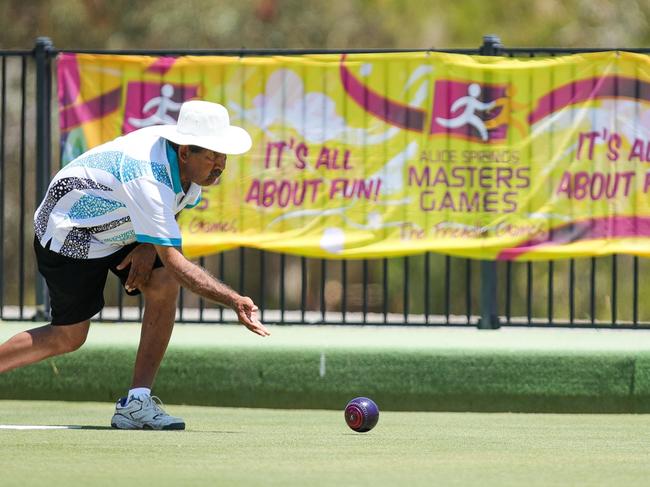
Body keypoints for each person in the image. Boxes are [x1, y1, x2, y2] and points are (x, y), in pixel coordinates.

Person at [0, 100, 270, 430]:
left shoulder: (189, 170)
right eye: (213, 156)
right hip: (69, 228)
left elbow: (170, 210)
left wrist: (146, 243)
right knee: (68, 337)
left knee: (162, 286)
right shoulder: (148, 177)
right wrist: (233, 300)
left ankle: (136, 403)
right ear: (185, 152)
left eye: (223, 155)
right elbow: (175, 263)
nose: (221, 165)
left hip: (118, 220)